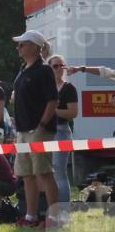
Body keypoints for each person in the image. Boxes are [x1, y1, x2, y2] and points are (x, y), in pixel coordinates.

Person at [11, 30, 60, 228]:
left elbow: (53, 100)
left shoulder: (44, 70)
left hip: (39, 130)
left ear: (34, 46)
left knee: (44, 174)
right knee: (27, 175)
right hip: (22, 131)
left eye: (22, 44)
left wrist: (41, 126)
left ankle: (55, 218)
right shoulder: (23, 68)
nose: (18, 47)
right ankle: (31, 217)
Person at [48, 54, 79, 204]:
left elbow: (73, 113)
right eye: (55, 66)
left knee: (59, 171)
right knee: (46, 172)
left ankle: (64, 208)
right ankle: (50, 206)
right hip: (45, 132)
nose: (59, 69)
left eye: (62, 65)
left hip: (61, 130)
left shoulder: (69, 88)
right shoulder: (44, 88)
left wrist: (52, 111)